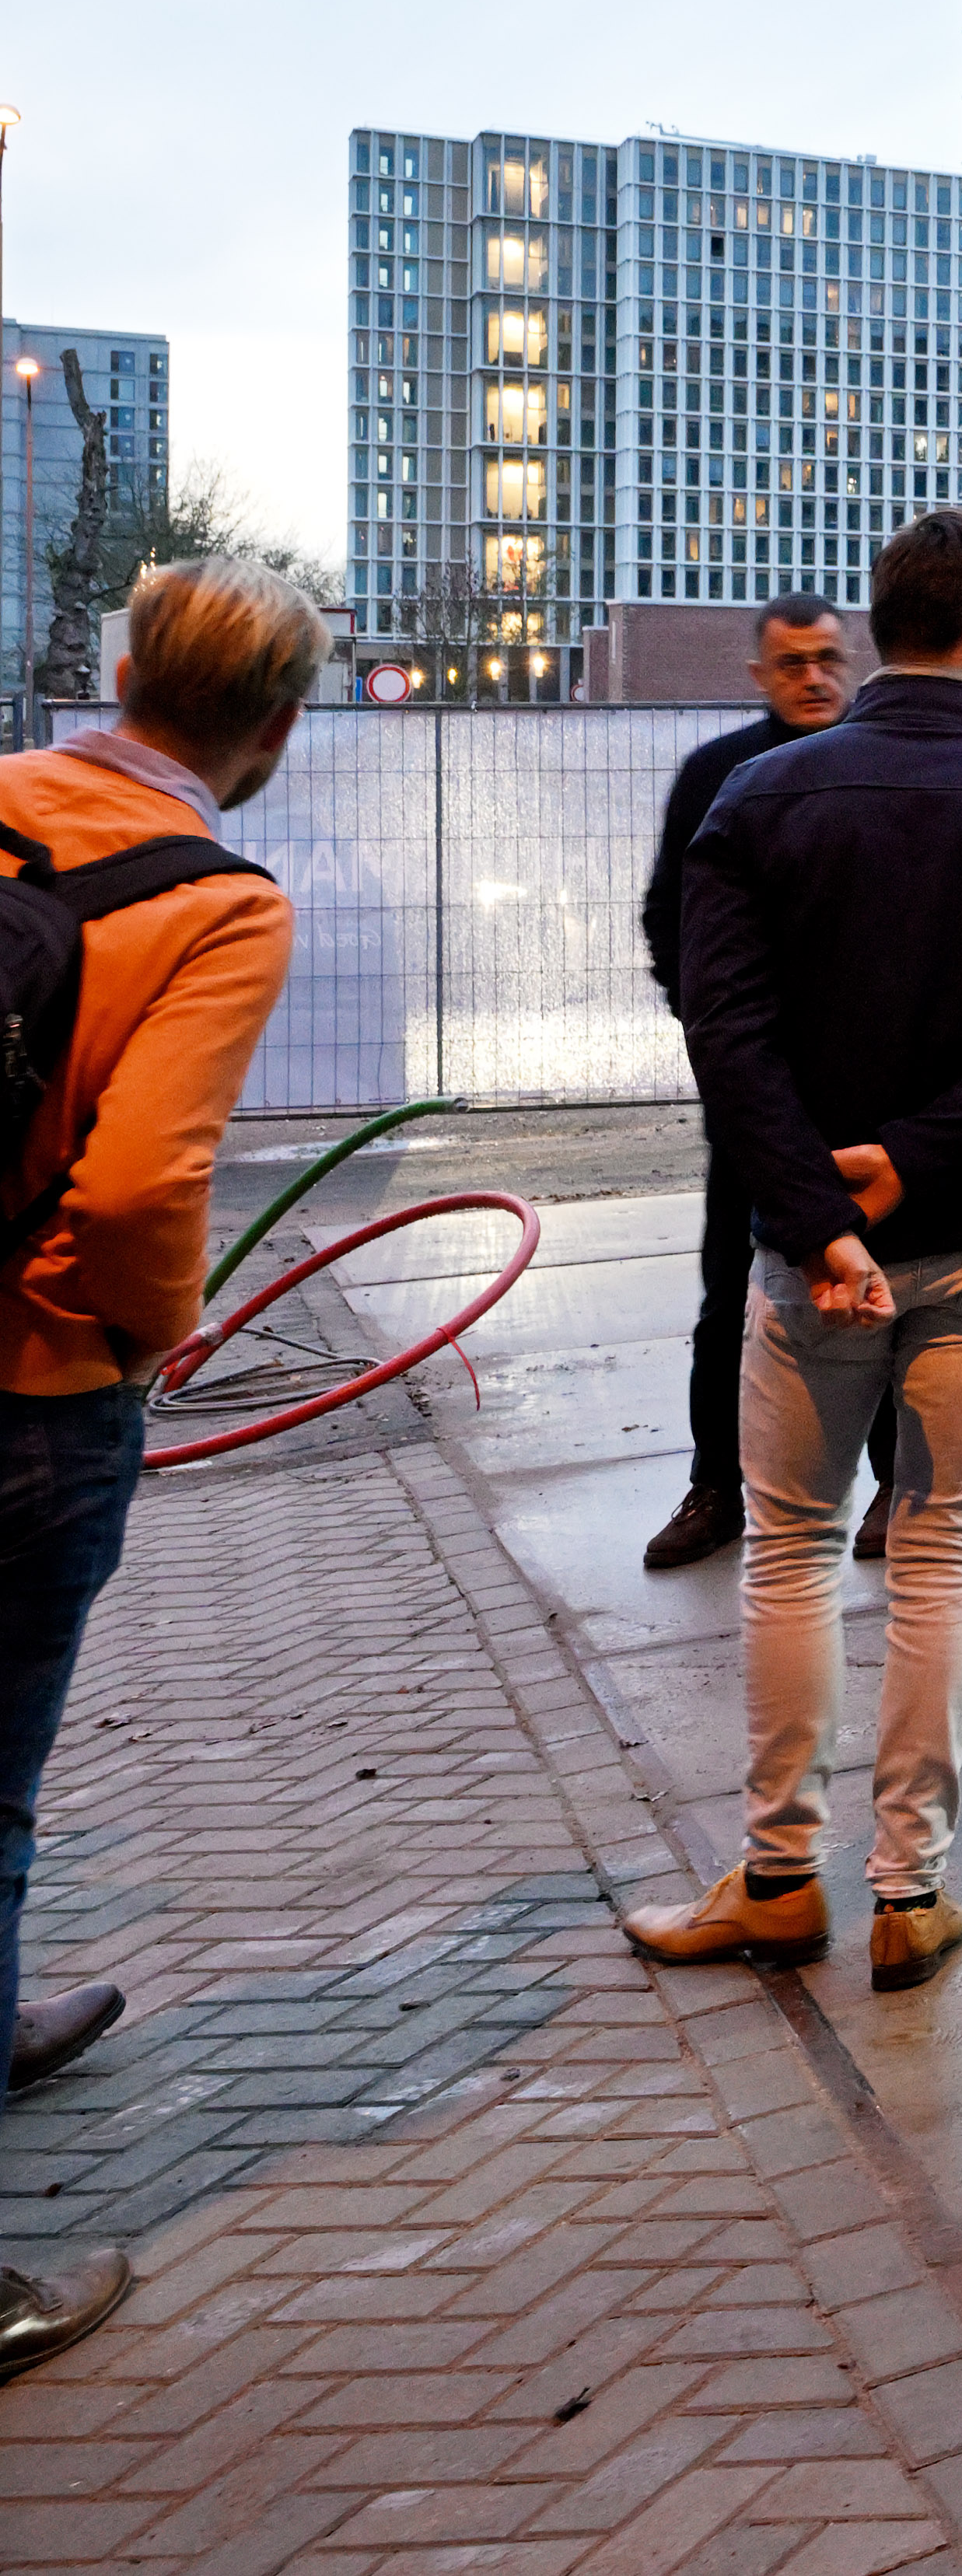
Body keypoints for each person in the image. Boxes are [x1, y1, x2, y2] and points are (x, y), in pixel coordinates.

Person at [624, 512, 962, 1996]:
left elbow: (726, 1029)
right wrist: (924, 1157)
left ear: (882, 619)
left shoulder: (759, 799)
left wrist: (821, 1210)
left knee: (786, 1553)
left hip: (807, 1254)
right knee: (938, 1553)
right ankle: (911, 1893)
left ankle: (779, 1877)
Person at [0, 562, 318, 2387]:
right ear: (273, 728)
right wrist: (137, 1329)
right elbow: (132, 1192)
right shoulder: (214, 901)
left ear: (118, 673)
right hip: (28, 1390)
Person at [636, 593, 848, 1572]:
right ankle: (716, 1481)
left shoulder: (873, 767)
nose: (815, 676)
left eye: (829, 658)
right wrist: (716, 1034)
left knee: (891, 1287)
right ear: (760, 674)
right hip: (756, 1094)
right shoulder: (718, 776)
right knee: (733, 1290)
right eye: (795, 661)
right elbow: (667, 918)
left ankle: (892, 1485)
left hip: (867, 1089)